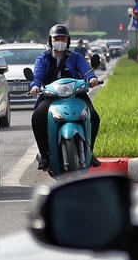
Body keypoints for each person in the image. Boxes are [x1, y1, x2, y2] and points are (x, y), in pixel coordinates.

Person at [28, 23, 101, 173]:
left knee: (94, 117)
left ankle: (90, 152)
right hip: (51, 97)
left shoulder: (76, 57)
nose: (60, 41)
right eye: (56, 38)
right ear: (50, 40)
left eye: (63, 38)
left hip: (76, 94)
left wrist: (92, 79)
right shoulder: (43, 59)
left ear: (68, 41)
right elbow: (38, 77)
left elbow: (87, 72)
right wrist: (35, 86)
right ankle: (45, 156)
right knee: (37, 117)